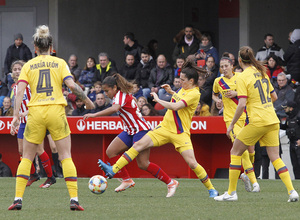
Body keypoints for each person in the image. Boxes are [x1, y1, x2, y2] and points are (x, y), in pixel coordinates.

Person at [98, 61, 219, 198]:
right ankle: (114, 170)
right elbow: (179, 97)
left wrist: (158, 99)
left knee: (192, 163)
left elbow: (176, 106)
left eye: (183, 80)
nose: (180, 82)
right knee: (138, 145)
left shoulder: (195, 94)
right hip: (164, 128)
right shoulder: (183, 89)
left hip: (180, 133)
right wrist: (171, 91)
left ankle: (211, 189)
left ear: (191, 81)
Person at [8, 25, 94, 211]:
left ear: (35, 47)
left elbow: (20, 91)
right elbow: (72, 86)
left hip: (36, 113)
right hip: (56, 111)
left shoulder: (29, 65)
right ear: (51, 46)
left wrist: (15, 116)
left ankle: (17, 199)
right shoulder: (60, 63)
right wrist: (87, 101)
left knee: (27, 158)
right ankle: (74, 200)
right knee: (65, 156)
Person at [214, 46, 299, 202]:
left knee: (235, 152)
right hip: (272, 119)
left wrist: (231, 124)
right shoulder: (262, 72)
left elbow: (241, 104)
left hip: (258, 120)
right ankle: (292, 191)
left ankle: (231, 193)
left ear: (239, 60)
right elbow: (274, 97)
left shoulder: (241, 77)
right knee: (275, 157)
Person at [83, 74, 177, 195]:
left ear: (115, 88)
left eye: (107, 91)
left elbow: (114, 108)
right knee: (111, 152)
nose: (106, 94)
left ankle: (170, 183)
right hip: (130, 131)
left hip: (140, 131)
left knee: (143, 164)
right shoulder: (121, 95)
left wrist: (94, 115)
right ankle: (126, 180)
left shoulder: (120, 96)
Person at [212, 56, 260, 193]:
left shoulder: (240, 77)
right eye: (222, 66)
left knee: (251, 150)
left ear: (232, 65)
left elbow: (250, 93)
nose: (224, 68)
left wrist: (236, 93)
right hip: (230, 120)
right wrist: (217, 101)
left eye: (226, 66)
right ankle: (254, 181)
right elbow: (214, 95)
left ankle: (245, 174)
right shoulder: (218, 81)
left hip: (245, 118)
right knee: (241, 149)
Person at [10, 60, 57, 187]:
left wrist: (25, 113)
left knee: (39, 149)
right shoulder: (15, 87)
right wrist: (15, 120)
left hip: (34, 120)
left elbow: (39, 101)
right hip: (23, 123)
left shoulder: (31, 84)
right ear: (11, 72)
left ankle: (50, 177)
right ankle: (34, 175)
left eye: (20, 69)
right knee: (21, 151)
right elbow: (17, 105)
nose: (17, 71)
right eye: (15, 69)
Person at [281, 101, 300, 179]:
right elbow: (284, 127)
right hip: (292, 143)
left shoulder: (298, 117)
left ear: (291, 108)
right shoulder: (289, 118)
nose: (284, 109)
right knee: (294, 165)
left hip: (298, 143)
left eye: (286, 108)